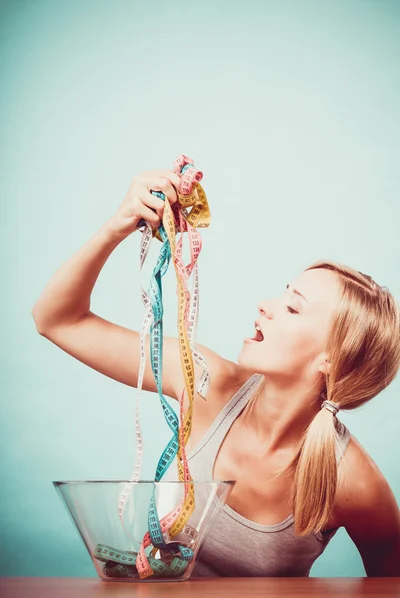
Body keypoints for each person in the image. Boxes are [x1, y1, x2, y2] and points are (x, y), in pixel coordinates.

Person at [31, 168, 400, 577]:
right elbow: (56, 320)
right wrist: (117, 226)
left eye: (293, 307)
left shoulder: (352, 480)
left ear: (329, 359)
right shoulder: (205, 382)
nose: (265, 304)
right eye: (282, 293)